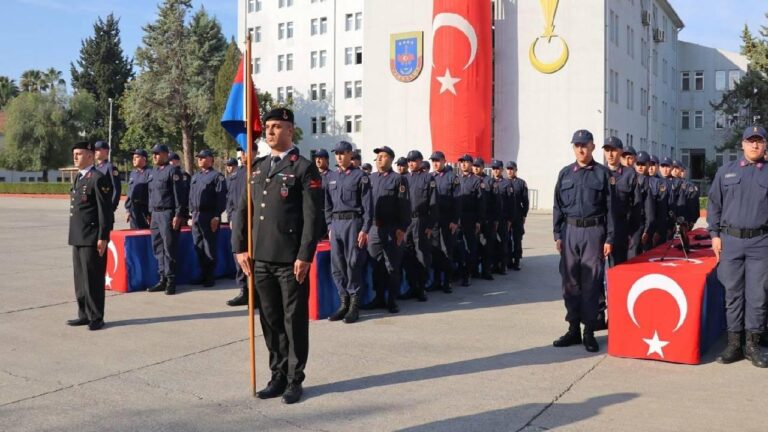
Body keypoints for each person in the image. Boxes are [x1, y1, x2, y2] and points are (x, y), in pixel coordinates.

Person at [233, 108, 324, 404]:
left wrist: (305, 255)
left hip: (290, 261)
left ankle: (295, 379)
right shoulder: (257, 167)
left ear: (290, 131)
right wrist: (240, 248)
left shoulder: (304, 168)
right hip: (260, 259)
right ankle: (277, 374)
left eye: (277, 127)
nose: (269, 132)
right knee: (270, 321)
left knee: (293, 322)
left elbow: (313, 218)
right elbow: (243, 211)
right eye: (268, 127)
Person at [707, 125, 768, 368]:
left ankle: (752, 345)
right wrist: (714, 234)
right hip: (731, 241)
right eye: (750, 141)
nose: (755, 145)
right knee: (732, 293)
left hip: (761, 242)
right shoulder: (726, 172)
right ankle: (734, 343)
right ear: (742, 144)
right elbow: (714, 205)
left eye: (759, 141)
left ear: (765, 145)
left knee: (758, 295)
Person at [552, 129, 613, 353]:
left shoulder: (603, 174)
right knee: (570, 283)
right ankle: (573, 330)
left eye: (584, 144)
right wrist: (557, 234)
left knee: (591, 283)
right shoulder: (566, 173)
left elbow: (611, 210)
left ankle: (589, 332)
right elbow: (558, 205)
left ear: (592, 147)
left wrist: (609, 238)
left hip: (594, 233)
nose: (581, 148)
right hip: (570, 232)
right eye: (577, 145)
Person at [67, 141, 114, 331]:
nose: (75, 157)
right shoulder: (79, 177)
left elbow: (105, 210)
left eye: (79, 153)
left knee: (93, 278)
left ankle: (96, 316)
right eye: (74, 154)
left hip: (92, 236)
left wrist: (103, 236)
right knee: (80, 279)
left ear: (90, 155)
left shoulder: (98, 178)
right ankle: (84, 314)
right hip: (78, 235)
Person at [325, 141, 373, 324]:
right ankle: (343, 302)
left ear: (350, 154)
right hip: (336, 224)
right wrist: (329, 226)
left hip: (353, 223)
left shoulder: (360, 176)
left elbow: (368, 206)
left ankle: (354, 306)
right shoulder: (330, 177)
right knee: (337, 265)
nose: (339, 156)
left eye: (342, 153)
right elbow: (327, 205)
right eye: (336, 153)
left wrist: (365, 229)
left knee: (353, 263)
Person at [364, 146, 410, 313]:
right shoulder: (370, 178)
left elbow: (404, 205)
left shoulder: (398, 179)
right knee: (376, 264)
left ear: (391, 159)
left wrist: (402, 228)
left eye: (383, 156)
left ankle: (392, 299)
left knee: (392, 265)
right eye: (377, 157)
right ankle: (378, 297)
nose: (379, 159)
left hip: (392, 228)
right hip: (374, 229)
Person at [146, 144, 188, 295]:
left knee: (169, 248)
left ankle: (171, 281)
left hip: (167, 214)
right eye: (153, 154)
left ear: (165, 154)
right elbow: (151, 194)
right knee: (158, 247)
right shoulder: (153, 172)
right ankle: (162, 278)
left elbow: (179, 196)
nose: (154, 156)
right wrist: (150, 213)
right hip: (155, 215)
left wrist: (178, 215)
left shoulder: (173, 171)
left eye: (157, 154)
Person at [400, 150, 437, 302]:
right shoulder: (403, 179)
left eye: (414, 160)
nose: (410, 163)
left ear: (421, 161)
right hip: (406, 222)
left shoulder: (428, 178)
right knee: (407, 255)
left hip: (421, 222)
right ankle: (412, 286)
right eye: (409, 161)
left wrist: (430, 225)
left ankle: (421, 288)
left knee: (421, 255)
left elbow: (433, 204)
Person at [189, 149, 227, 287]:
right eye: (199, 157)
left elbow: (221, 198)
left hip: (209, 215)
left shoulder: (217, 176)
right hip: (196, 215)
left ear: (211, 159)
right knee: (198, 246)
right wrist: (191, 214)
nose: (200, 160)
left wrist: (217, 216)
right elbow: (191, 196)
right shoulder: (195, 177)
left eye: (203, 157)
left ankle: (210, 276)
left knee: (209, 246)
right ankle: (203, 274)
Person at [428, 151, 461, 293]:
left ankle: (447, 281)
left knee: (447, 251)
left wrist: (455, 221)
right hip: (435, 221)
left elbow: (458, 200)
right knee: (435, 251)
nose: (435, 163)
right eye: (433, 161)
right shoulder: (431, 177)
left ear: (444, 161)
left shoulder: (452, 177)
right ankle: (436, 281)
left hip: (448, 220)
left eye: (438, 160)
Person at [456, 154, 485, 286]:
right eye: (461, 162)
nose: (463, 164)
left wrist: (478, 221)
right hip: (457, 218)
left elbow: (481, 203)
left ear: (471, 164)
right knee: (457, 246)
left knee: (470, 247)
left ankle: (468, 273)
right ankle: (459, 271)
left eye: (466, 162)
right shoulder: (457, 179)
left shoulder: (476, 180)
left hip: (470, 218)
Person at [225, 157, 249, 306]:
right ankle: (243, 290)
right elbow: (229, 199)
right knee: (238, 254)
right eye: (242, 153)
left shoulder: (259, 169)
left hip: (253, 219)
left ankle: (256, 293)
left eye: (247, 151)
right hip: (237, 218)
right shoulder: (235, 174)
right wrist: (230, 217)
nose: (244, 156)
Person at [629, 151, 656, 257]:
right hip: (632, 225)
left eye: (643, 164)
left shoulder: (655, 182)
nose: (640, 167)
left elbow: (651, 210)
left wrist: (648, 229)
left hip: (645, 225)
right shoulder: (631, 179)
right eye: (638, 164)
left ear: (648, 164)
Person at [472, 157, 496, 280]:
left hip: (487, 219)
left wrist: (494, 219)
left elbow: (496, 202)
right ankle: (474, 270)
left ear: (482, 167)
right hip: (473, 219)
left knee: (486, 246)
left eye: (478, 166)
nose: (475, 168)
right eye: (474, 165)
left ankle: (486, 271)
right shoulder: (469, 179)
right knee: (474, 246)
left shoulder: (489, 181)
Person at [505, 161, 529, 270]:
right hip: (506, 216)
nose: (509, 171)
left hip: (518, 215)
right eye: (508, 169)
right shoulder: (503, 182)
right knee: (507, 239)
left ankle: (517, 260)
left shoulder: (521, 183)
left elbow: (525, 201)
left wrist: (524, 215)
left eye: (511, 169)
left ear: (515, 170)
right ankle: (508, 259)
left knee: (517, 238)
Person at [490, 159, 511, 275]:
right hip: (492, 219)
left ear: (502, 170)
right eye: (493, 168)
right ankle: (493, 265)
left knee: (503, 242)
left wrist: (510, 220)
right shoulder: (489, 182)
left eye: (497, 168)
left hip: (503, 219)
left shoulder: (507, 184)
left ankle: (503, 265)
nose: (495, 170)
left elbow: (511, 203)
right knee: (492, 242)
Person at [125, 149, 151, 229]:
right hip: (133, 209)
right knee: (134, 233)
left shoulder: (150, 173)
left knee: (144, 235)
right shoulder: (133, 173)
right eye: (133, 157)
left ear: (144, 159)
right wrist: (128, 210)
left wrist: (150, 213)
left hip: (144, 210)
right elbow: (130, 193)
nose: (133, 159)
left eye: (136, 157)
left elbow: (152, 194)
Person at [93, 140, 122, 213]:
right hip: (95, 207)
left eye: (98, 149)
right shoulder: (95, 168)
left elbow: (116, 189)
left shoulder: (110, 167)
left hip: (106, 207)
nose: (95, 152)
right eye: (94, 150)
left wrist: (112, 206)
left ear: (106, 151)